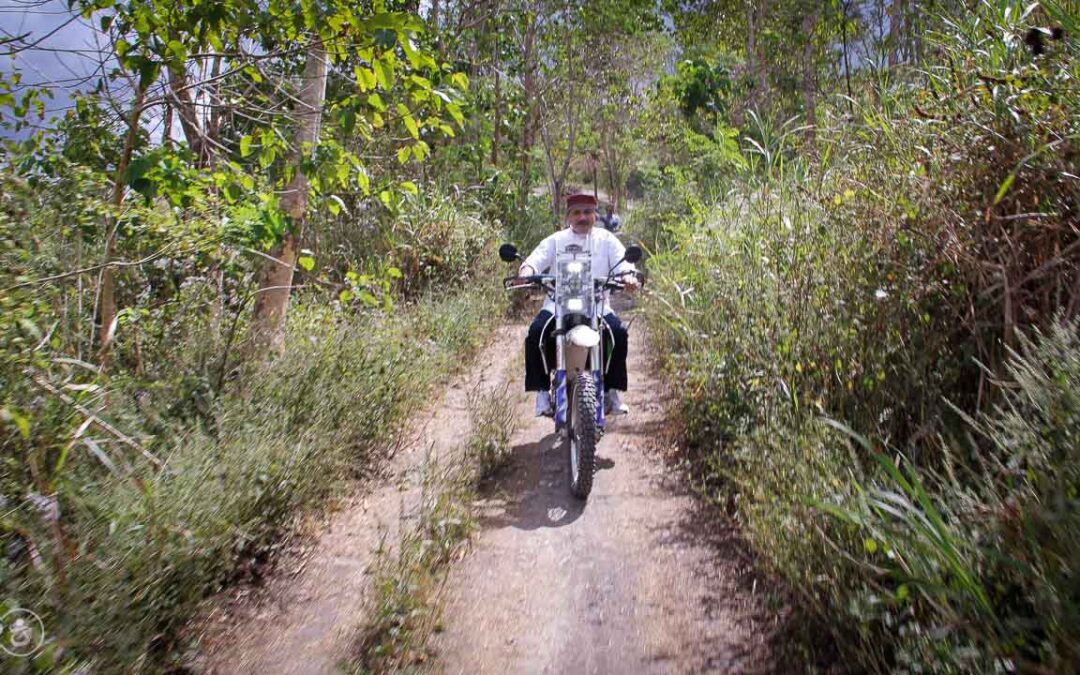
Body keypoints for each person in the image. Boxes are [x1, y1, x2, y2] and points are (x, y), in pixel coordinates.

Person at [517, 193, 639, 417]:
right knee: (536, 333)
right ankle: (542, 391)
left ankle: (611, 392)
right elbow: (534, 261)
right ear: (568, 217)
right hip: (558, 304)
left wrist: (628, 277)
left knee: (618, 334)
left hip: (597, 304)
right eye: (577, 212)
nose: (582, 217)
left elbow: (625, 263)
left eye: (587, 212)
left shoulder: (606, 239)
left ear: (595, 215)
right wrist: (527, 273)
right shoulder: (556, 240)